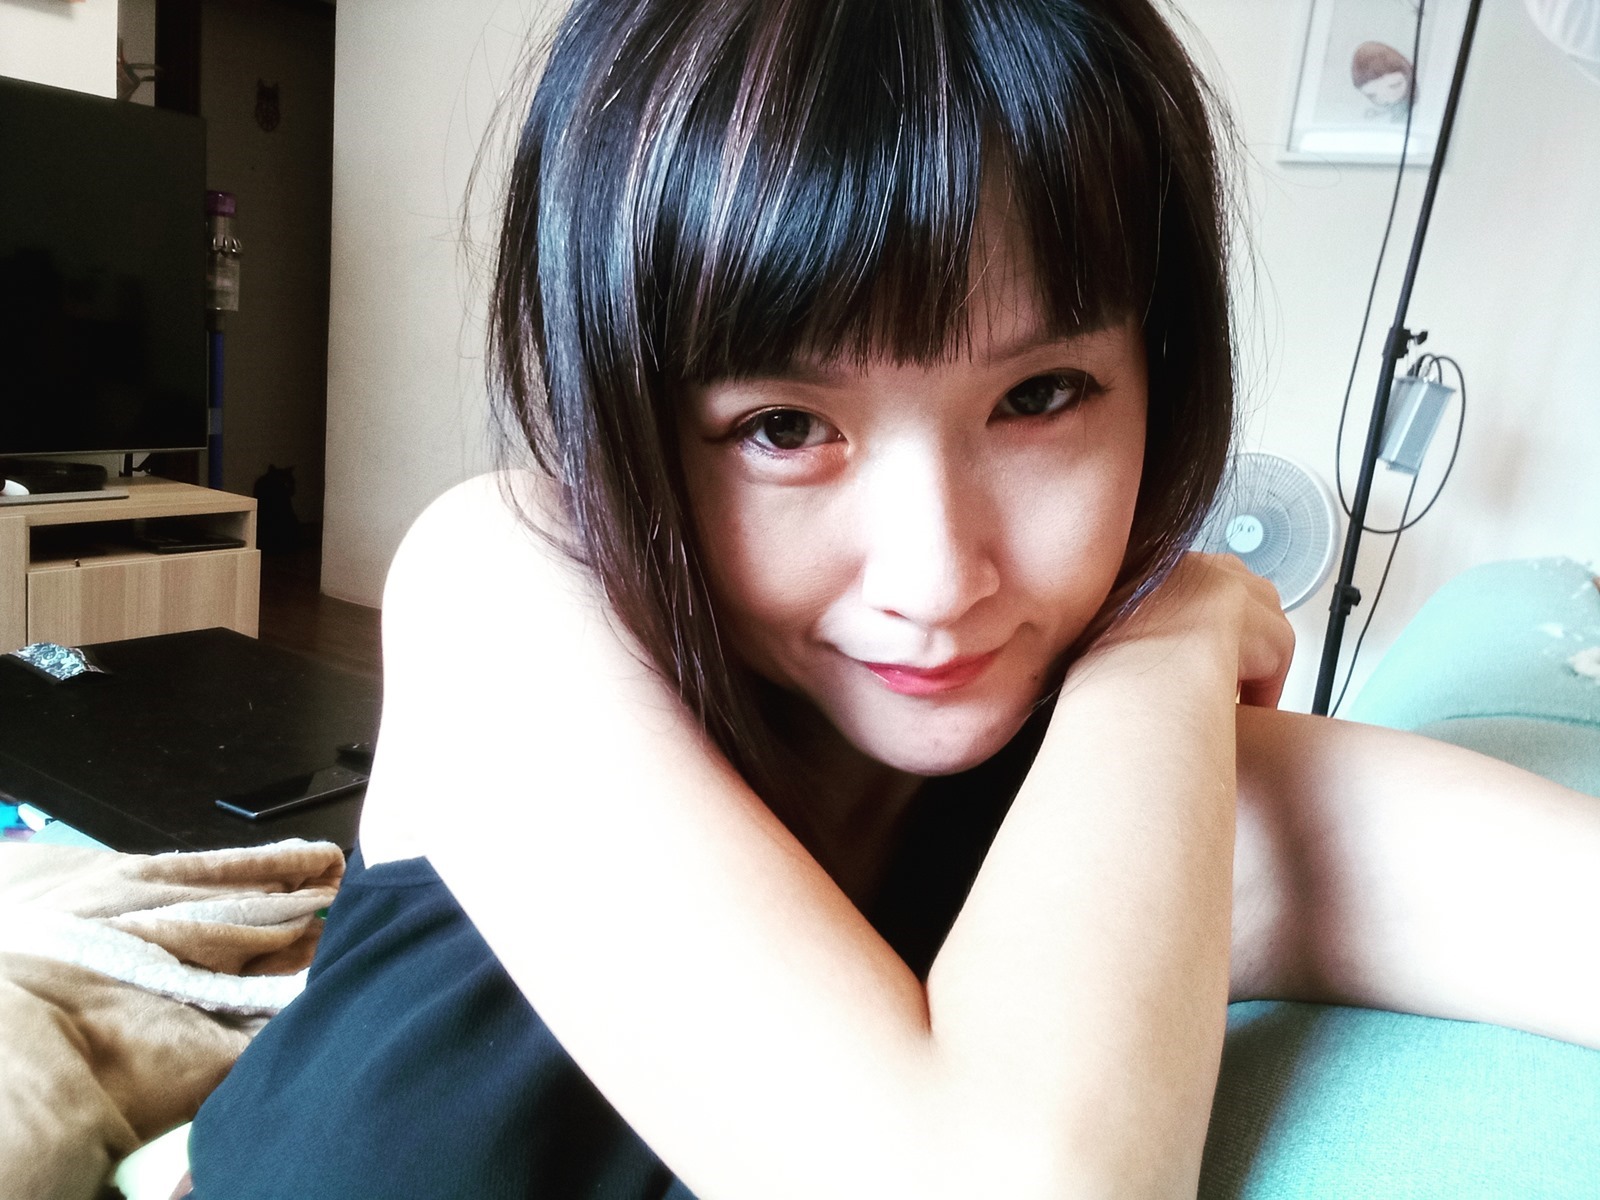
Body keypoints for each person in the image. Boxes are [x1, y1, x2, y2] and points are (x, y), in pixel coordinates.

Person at [186, 0, 1600, 1196]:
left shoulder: (1133, 777)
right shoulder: (507, 580)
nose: (937, 581)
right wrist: (1174, 634)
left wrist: (1157, 645)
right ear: (628, 415)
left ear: (1159, 388)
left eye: (1042, 397)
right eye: (782, 428)